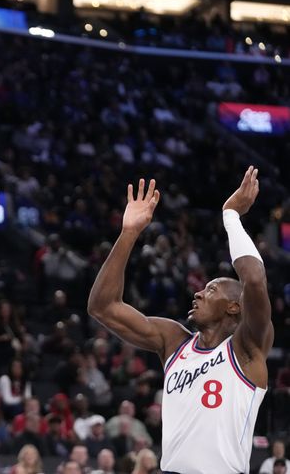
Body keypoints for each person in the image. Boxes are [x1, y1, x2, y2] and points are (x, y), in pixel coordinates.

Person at [87, 169, 272, 474]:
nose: (198, 293)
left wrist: (230, 215)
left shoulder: (247, 348)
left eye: (211, 290)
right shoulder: (173, 340)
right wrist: (129, 233)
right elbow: (102, 307)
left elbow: (253, 278)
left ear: (234, 308)